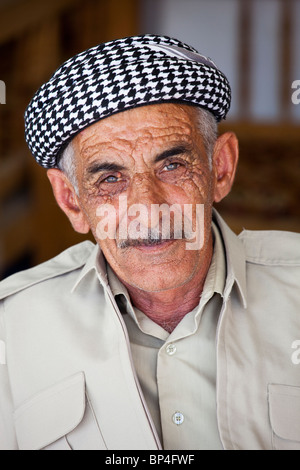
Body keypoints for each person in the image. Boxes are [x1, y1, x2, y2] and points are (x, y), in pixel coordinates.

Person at [0, 34, 299, 451]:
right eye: (109, 179)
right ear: (72, 201)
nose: (147, 208)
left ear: (221, 168)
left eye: (173, 165)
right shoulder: (11, 329)